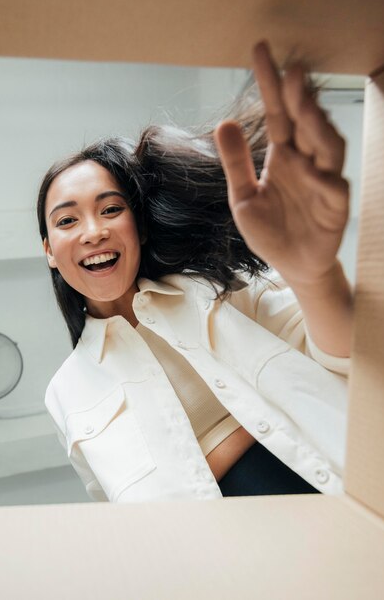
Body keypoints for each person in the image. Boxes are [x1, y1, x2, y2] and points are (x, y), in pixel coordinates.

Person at [37, 41, 352, 502]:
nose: (93, 232)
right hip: (220, 566)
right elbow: (120, 515)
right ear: (49, 250)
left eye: (110, 210)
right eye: (67, 220)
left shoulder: (221, 291)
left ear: (139, 229)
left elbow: (347, 360)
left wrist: (318, 274)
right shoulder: (65, 392)